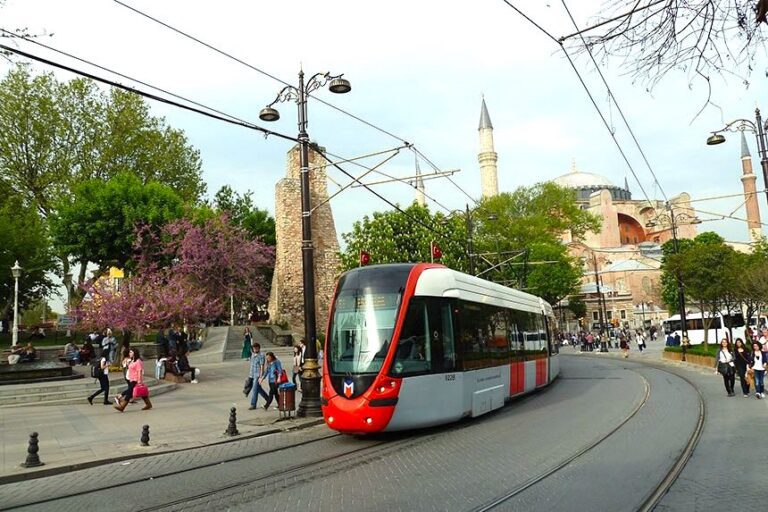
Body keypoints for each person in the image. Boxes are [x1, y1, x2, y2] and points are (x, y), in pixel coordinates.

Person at [114, 347, 151, 411]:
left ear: (134, 353)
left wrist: (139, 380)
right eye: (129, 352)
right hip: (131, 379)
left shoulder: (138, 361)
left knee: (129, 392)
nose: (129, 353)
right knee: (142, 393)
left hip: (135, 379)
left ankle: (122, 406)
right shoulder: (132, 361)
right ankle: (148, 404)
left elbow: (139, 371)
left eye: (131, 352)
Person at [248, 343, 269, 410]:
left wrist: (260, 377)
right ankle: (268, 399)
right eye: (254, 348)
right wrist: (250, 375)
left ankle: (253, 404)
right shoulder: (253, 354)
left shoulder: (261, 355)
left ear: (259, 348)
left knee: (254, 389)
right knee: (259, 389)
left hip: (257, 374)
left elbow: (262, 366)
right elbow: (251, 365)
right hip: (252, 374)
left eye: (256, 348)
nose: (255, 349)